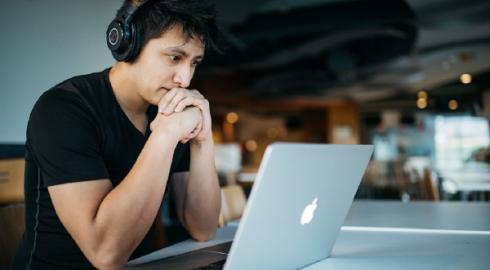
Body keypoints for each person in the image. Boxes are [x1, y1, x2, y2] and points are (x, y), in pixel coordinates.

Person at [11, 0, 222, 269]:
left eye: (194, 62)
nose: (185, 78)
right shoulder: (64, 109)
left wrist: (203, 140)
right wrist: (165, 135)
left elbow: (203, 228)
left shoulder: (168, 111)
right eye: (174, 57)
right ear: (127, 45)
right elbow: (105, 254)